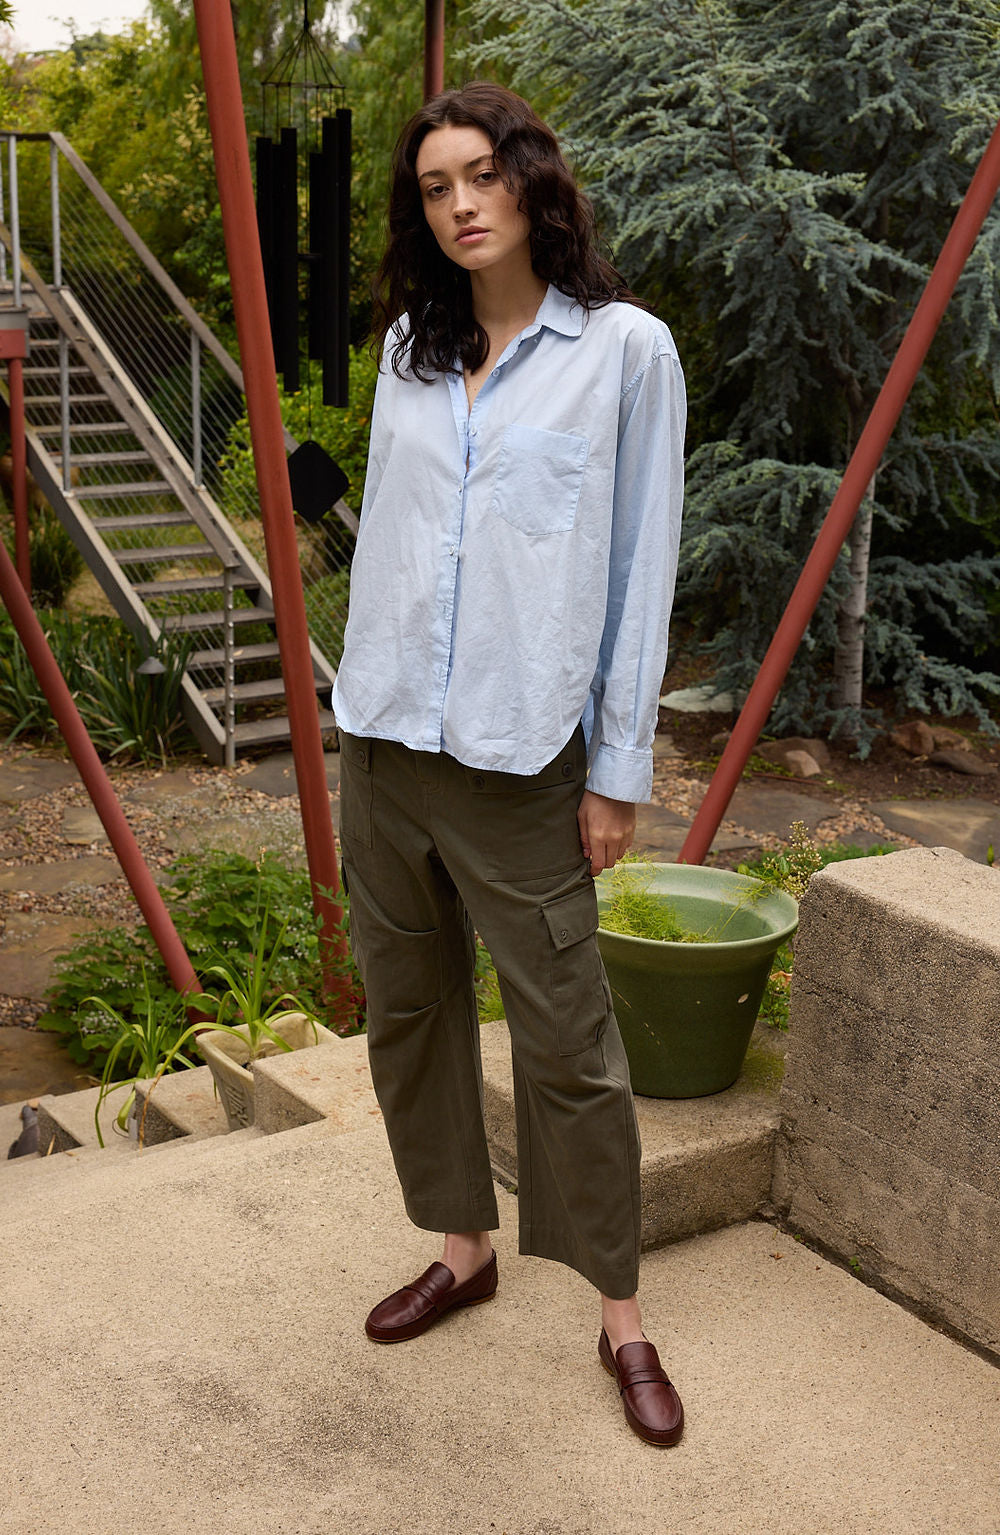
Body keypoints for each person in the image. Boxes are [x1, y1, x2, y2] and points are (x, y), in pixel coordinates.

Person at [331, 81, 687, 1448]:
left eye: (482, 173)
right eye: (435, 186)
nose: (462, 202)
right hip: (387, 744)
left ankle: (621, 1316)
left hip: (521, 762)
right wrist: (349, 710)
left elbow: (636, 571)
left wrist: (617, 771)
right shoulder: (409, 359)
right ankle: (462, 1248)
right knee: (410, 1012)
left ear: (536, 183)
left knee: (571, 1046)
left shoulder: (626, 354)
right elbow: (397, 555)